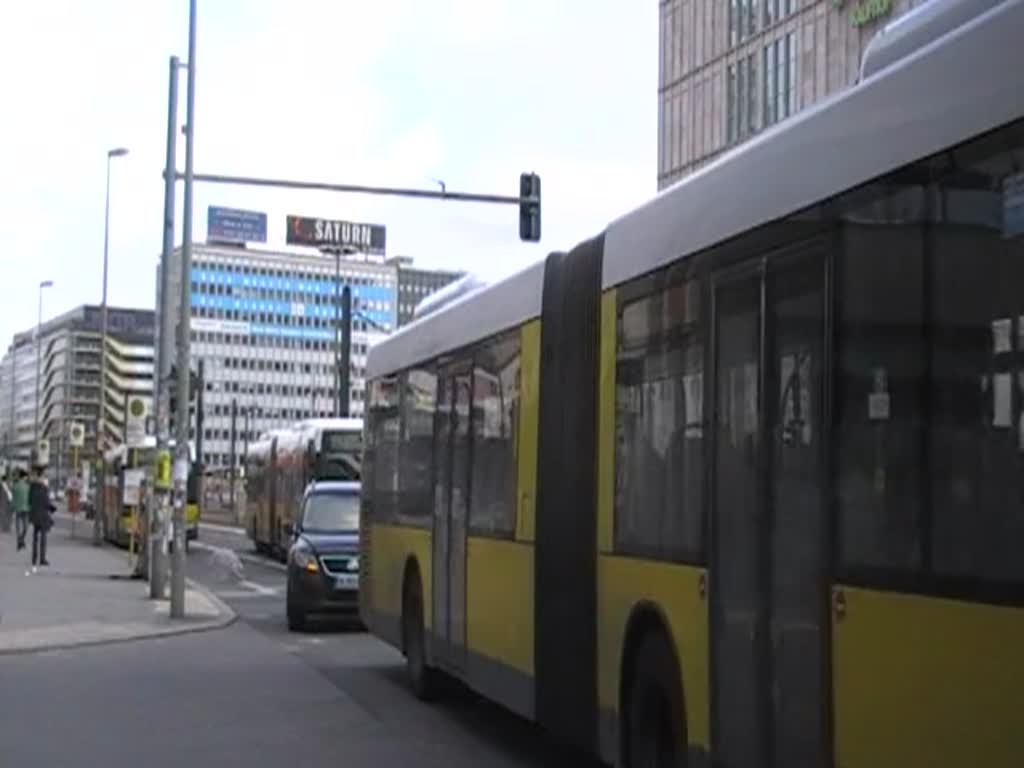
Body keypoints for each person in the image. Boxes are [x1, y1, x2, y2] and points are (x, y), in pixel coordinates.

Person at [28, 466, 55, 567]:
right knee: (43, 538)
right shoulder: (44, 488)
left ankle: (34, 558)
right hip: (43, 516)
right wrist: (53, 509)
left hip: (35, 515)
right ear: (42, 477)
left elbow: (29, 501)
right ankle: (42, 559)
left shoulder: (32, 487)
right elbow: (47, 503)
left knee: (35, 537)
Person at [12, 469, 30, 550]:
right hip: (25, 509)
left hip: (19, 509)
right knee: (25, 527)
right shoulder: (27, 486)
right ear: (24, 477)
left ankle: (20, 541)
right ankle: (21, 540)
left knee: (18, 527)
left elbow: (13, 498)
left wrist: (12, 508)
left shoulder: (15, 486)